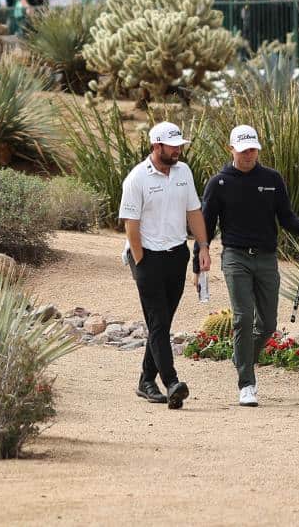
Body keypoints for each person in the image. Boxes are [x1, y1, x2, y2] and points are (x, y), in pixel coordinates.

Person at [200, 124, 299, 408]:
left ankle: (241, 357)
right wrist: (200, 254)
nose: (249, 155)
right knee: (243, 317)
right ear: (231, 149)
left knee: (267, 323)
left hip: (267, 258)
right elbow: (205, 225)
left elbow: (287, 218)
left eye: (253, 149)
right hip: (235, 257)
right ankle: (247, 383)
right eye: (244, 150)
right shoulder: (218, 182)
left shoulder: (272, 179)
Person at [119, 120, 208, 410]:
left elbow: (193, 211)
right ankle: (172, 382)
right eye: (173, 146)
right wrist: (141, 261)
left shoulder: (184, 172)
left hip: (176, 255)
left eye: (180, 145)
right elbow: (131, 225)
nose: (178, 150)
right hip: (147, 256)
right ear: (156, 146)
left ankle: (146, 380)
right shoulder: (136, 179)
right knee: (158, 320)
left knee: (162, 322)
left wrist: (202, 246)